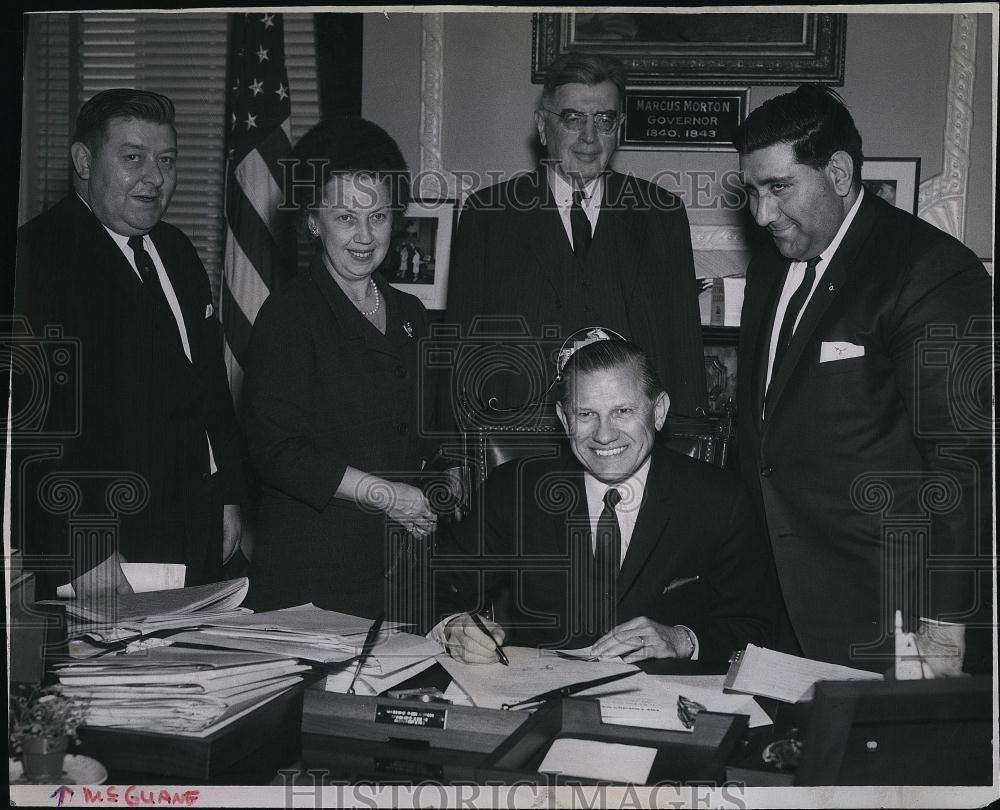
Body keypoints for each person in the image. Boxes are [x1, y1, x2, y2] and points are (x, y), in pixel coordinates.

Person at [734, 85, 991, 674]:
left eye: (779, 188)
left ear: (841, 173)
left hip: (887, 612)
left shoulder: (929, 271)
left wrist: (947, 624)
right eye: (752, 191)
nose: (762, 214)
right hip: (776, 599)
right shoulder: (773, 263)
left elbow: (964, 462)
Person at [13, 89, 245, 592]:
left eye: (166, 160)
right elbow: (40, 427)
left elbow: (209, 389)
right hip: (108, 543)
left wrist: (227, 496)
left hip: (196, 528)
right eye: (133, 158)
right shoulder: (38, 255)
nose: (155, 178)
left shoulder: (177, 250)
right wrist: (85, 550)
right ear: (83, 160)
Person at [435, 333, 774, 663]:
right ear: (563, 419)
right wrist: (454, 628)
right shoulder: (515, 489)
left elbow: (757, 626)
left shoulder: (719, 499)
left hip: (665, 703)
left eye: (622, 411)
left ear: (658, 412)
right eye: (586, 414)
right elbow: (432, 586)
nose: (604, 434)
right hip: (538, 701)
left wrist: (683, 639)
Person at [439, 52, 706, 431]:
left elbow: (684, 351)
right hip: (518, 447)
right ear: (543, 126)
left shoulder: (661, 214)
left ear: (620, 127)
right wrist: (455, 459)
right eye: (572, 118)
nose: (589, 137)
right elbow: (459, 351)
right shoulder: (489, 215)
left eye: (604, 119)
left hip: (631, 448)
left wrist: (689, 456)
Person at [242, 117, 439, 616]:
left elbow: (430, 431)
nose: (365, 236)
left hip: (402, 571)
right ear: (313, 221)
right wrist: (388, 496)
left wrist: (444, 482)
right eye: (346, 217)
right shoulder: (289, 315)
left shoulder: (412, 313)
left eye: (378, 216)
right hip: (315, 574)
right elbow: (277, 451)